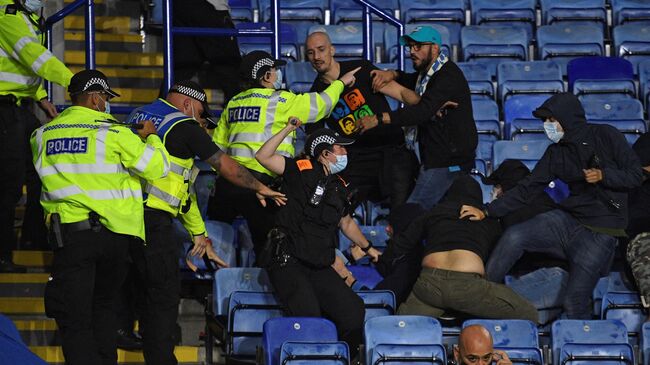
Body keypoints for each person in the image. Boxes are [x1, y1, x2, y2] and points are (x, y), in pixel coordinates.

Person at [125, 80, 285, 365]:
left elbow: (179, 189)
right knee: (162, 300)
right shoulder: (182, 125)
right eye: (201, 116)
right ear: (188, 105)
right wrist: (259, 186)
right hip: (153, 223)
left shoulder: (138, 115)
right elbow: (226, 166)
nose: (203, 126)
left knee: (137, 294)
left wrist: (199, 234)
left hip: (124, 221)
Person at [30, 69, 169, 365]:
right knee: (104, 308)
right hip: (116, 238)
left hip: (71, 237)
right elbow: (157, 168)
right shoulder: (115, 132)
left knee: (75, 317)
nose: (106, 103)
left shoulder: (41, 135)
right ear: (94, 98)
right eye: (105, 98)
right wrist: (152, 139)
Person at [463, 92, 643, 319]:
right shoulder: (555, 153)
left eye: (551, 120)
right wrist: (488, 210)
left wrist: (604, 176)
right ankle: (479, 297)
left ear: (567, 119)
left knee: (574, 301)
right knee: (515, 236)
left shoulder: (606, 135)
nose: (547, 126)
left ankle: (585, 345)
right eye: (545, 121)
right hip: (568, 220)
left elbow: (636, 175)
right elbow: (527, 188)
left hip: (602, 232)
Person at [210, 50, 359, 255]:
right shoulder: (281, 100)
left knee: (216, 241)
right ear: (266, 77)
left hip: (229, 181)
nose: (278, 73)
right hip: (264, 183)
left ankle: (215, 283)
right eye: (274, 70)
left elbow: (216, 148)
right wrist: (341, 83)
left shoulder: (233, 102)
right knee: (270, 248)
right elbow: (321, 105)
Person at [255, 123, 380, 355]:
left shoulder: (339, 186)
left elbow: (347, 223)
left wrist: (369, 247)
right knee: (310, 317)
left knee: (353, 311)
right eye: (340, 149)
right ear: (324, 154)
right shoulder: (297, 169)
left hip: (318, 262)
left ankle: (341, 359)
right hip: (288, 259)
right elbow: (263, 156)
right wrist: (286, 130)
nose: (345, 153)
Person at [357, 26, 477, 210]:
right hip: (439, 159)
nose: (412, 51)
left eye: (418, 46)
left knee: (412, 213)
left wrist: (380, 118)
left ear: (435, 48)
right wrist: (393, 73)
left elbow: (422, 111)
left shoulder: (447, 76)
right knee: (435, 218)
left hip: (447, 162)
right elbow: (410, 79)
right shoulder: (429, 73)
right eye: (410, 47)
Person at [391, 175, 537, 322]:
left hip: (429, 284)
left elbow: (402, 244)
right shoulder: (487, 219)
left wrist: (377, 254)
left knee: (400, 329)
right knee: (529, 313)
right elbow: (502, 255)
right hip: (468, 288)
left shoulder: (432, 214)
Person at [305, 31, 420, 206]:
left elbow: (402, 94)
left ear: (332, 50)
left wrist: (431, 107)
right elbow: (315, 138)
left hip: (392, 149)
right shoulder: (315, 95)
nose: (316, 56)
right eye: (311, 52)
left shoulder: (360, 69)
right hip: (357, 158)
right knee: (337, 208)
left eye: (321, 49)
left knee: (403, 212)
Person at [0, 0, 74, 272]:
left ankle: (32, 238)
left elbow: (20, 67)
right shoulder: (6, 15)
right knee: (8, 187)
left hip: (20, 108)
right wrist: (74, 81)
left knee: (40, 174)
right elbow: (33, 57)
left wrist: (41, 97)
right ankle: (3, 255)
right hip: (5, 111)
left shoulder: (27, 18)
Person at [171, 0, 241, 104]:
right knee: (229, 68)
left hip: (180, 7)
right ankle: (241, 110)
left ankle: (160, 114)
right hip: (209, 6)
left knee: (182, 68)